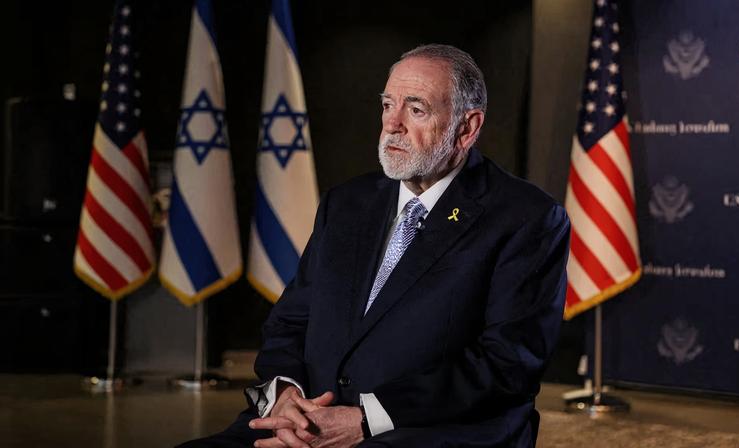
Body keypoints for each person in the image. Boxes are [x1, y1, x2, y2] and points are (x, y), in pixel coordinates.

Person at [180, 43, 569, 448]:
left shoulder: (527, 218)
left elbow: (507, 364)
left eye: (416, 109)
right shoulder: (346, 203)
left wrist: (366, 420)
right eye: (388, 105)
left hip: (427, 432)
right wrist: (284, 397)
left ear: (467, 128)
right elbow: (290, 322)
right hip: (303, 422)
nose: (392, 124)